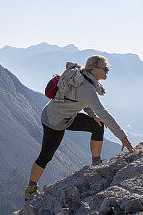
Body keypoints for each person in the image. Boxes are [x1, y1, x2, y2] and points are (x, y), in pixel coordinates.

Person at [24, 55, 133, 202]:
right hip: (53, 120)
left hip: (68, 116)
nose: (107, 71)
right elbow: (103, 112)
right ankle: (31, 190)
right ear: (94, 69)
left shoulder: (84, 77)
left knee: (97, 125)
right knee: (46, 155)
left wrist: (92, 115)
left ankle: (96, 163)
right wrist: (123, 138)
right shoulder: (87, 86)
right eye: (105, 68)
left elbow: (82, 100)